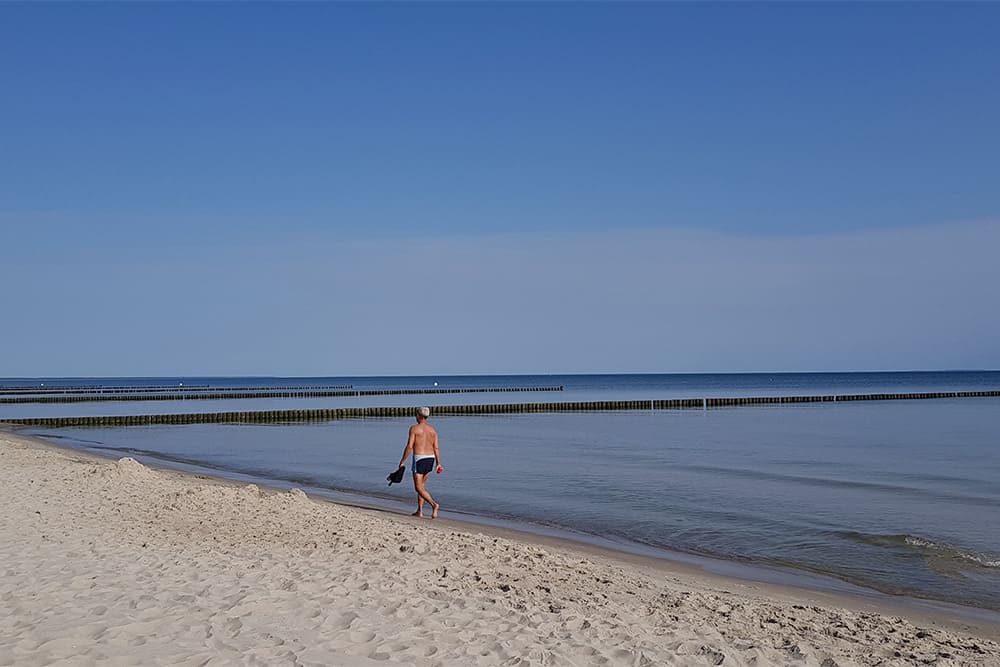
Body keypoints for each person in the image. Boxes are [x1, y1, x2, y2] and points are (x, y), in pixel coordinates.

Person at [397, 406, 443, 518]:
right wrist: (438, 463)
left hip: (419, 458)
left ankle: (434, 504)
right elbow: (436, 448)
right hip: (430, 458)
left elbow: (409, 446)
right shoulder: (433, 430)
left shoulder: (414, 429)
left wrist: (402, 461)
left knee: (418, 487)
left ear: (418, 416)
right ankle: (420, 511)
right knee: (422, 486)